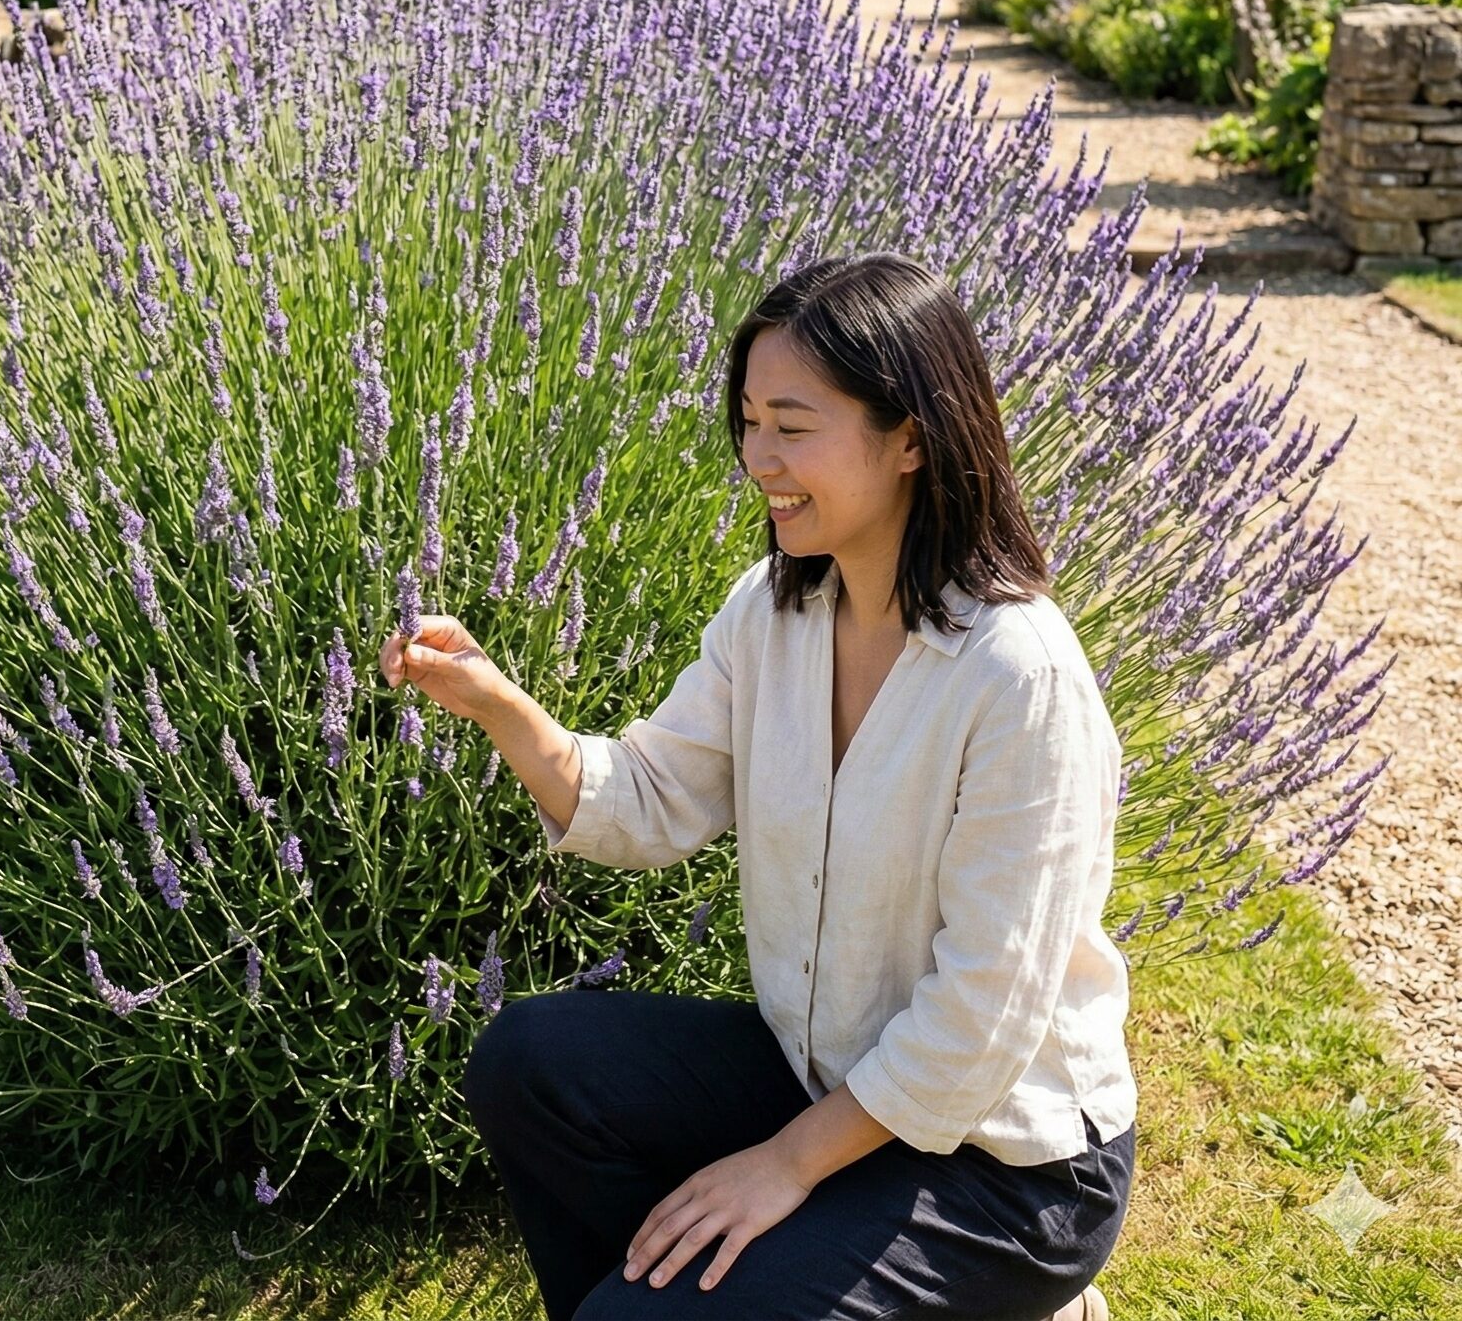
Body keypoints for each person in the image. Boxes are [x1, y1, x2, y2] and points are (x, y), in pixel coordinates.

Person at [378, 252, 1136, 1321]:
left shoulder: (1018, 676)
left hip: (1004, 1164)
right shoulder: (774, 612)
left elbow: (980, 1020)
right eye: (747, 422)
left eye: (791, 425)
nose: (757, 458)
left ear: (910, 437)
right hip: (823, 1079)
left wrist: (784, 1164)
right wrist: (499, 703)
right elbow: (649, 798)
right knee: (529, 1065)